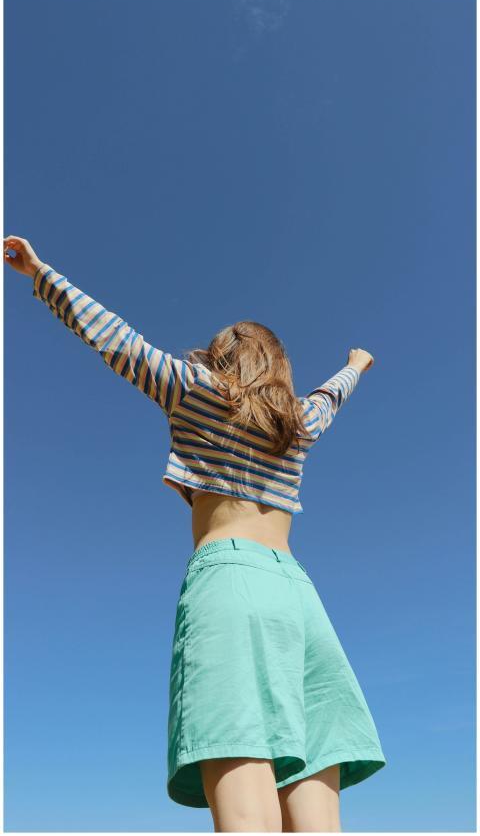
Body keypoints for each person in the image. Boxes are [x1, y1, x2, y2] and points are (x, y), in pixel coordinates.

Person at [4, 235, 386, 833]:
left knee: (242, 760)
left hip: (229, 579)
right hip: (298, 594)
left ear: (216, 357)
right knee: (315, 787)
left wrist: (39, 272)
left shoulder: (191, 387)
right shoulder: (299, 423)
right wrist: (357, 364)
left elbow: (111, 335)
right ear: (278, 366)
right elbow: (330, 396)